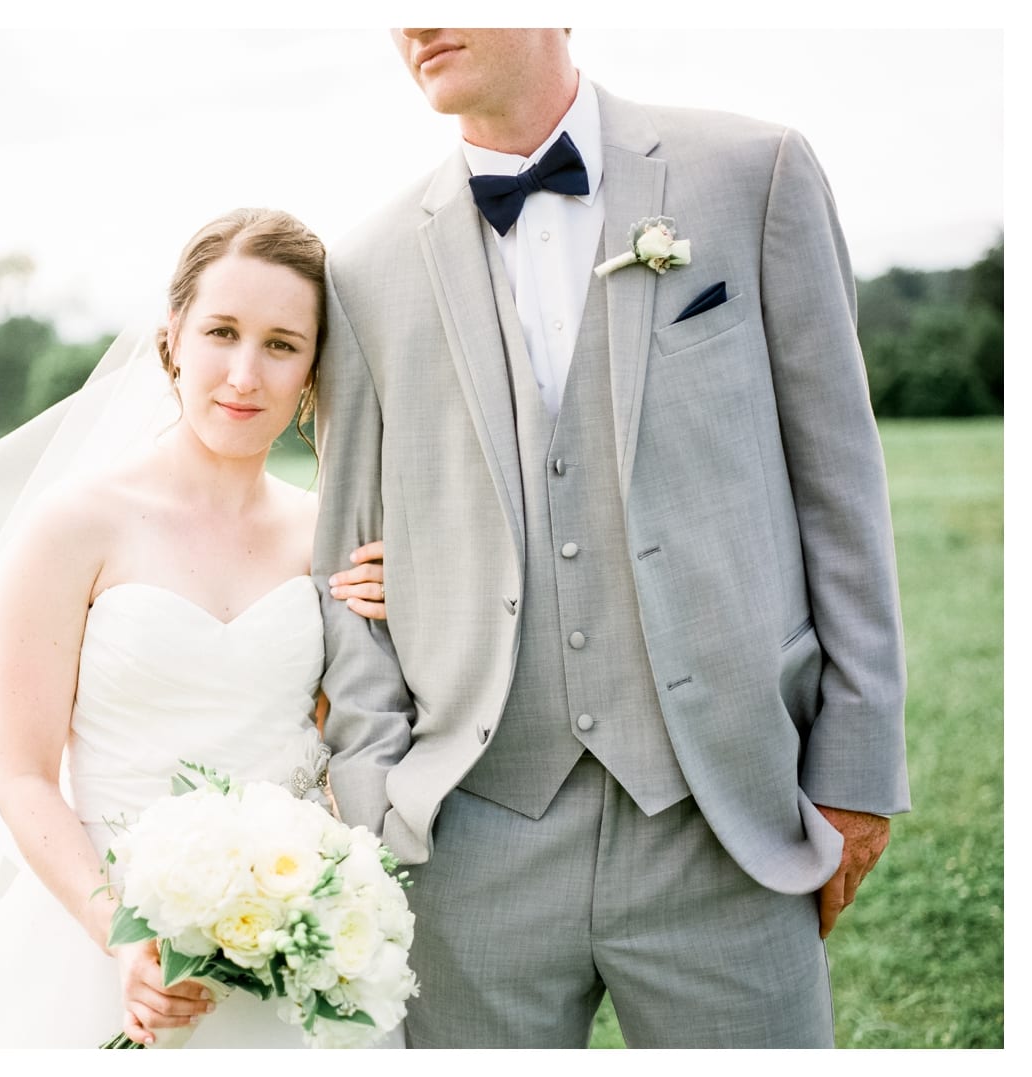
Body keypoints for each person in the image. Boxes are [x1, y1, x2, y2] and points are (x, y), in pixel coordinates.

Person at [314, 29, 910, 1048]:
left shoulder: (751, 175)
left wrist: (854, 769)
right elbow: (347, 556)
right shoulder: (363, 269)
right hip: (471, 836)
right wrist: (373, 798)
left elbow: (840, 486)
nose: (414, 22)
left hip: (724, 817)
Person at [0, 208, 393, 1048]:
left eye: (282, 344)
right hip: (96, 930)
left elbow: (344, 733)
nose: (245, 374)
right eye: (222, 331)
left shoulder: (327, 534)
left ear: (313, 370)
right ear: (171, 338)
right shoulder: (75, 525)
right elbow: (25, 775)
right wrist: (123, 935)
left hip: (289, 936)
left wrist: (404, 606)